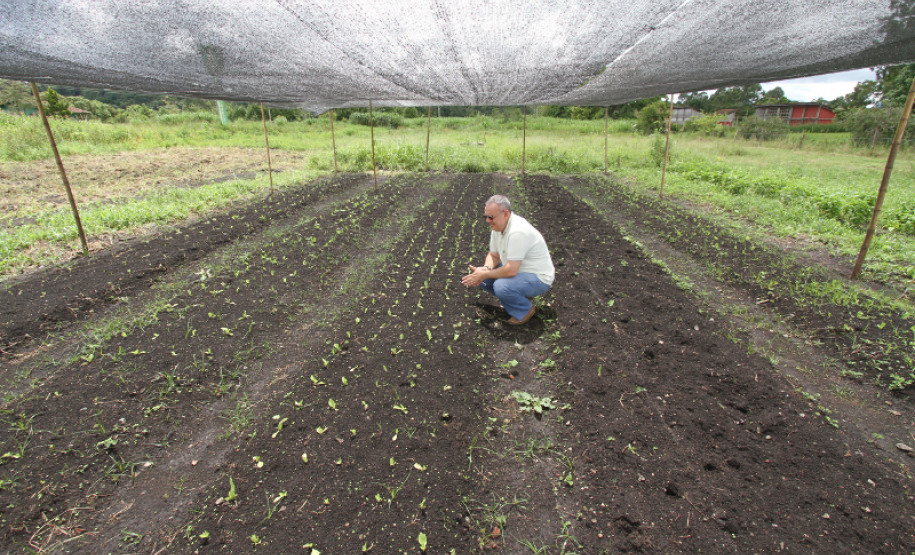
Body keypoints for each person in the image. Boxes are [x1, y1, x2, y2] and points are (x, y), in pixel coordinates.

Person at [461, 194, 555, 325]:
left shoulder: (518, 232)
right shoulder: (498, 227)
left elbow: (511, 270)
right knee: (482, 278)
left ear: (505, 213)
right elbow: (494, 255)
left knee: (501, 286)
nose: (487, 221)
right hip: (520, 271)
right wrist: (485, 269)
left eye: (491, 217)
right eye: (486, 217)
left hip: (539, 278)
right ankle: (521, 297)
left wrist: (485, 274)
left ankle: (525, 310)